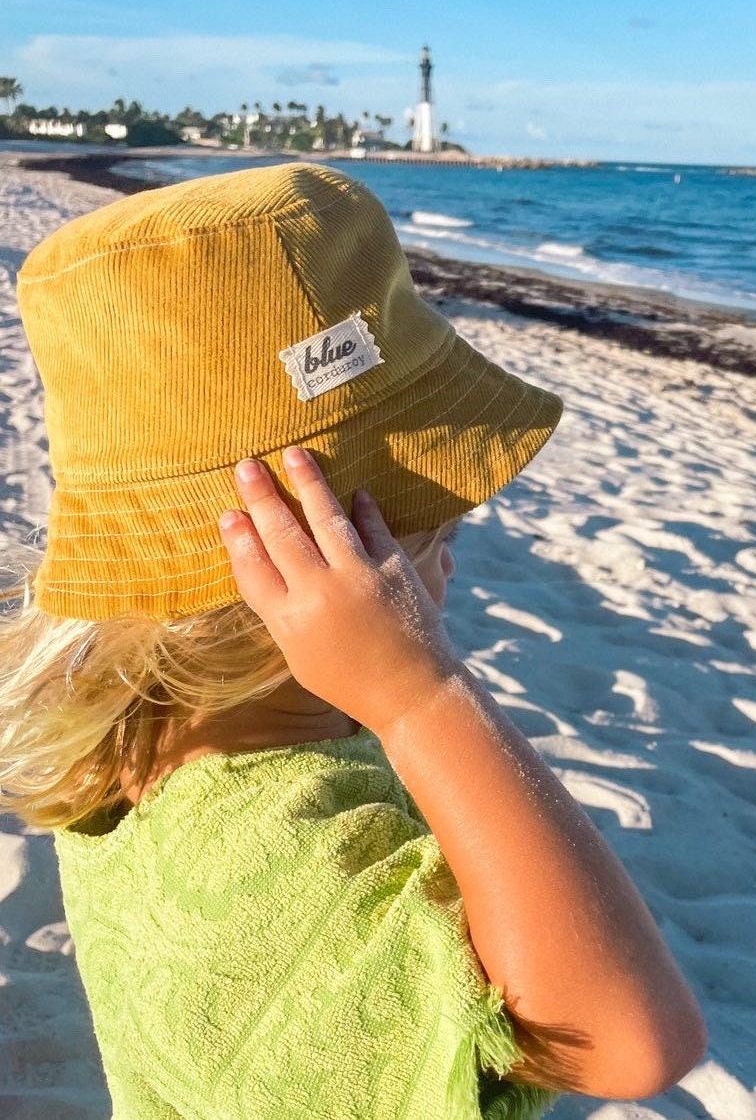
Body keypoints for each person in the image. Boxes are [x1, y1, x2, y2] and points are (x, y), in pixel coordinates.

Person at [3, 162, 705, 1118]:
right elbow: (630, 1044)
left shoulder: (123, 732)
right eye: (437, 528)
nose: (453, 557)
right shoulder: (289, 859)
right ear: (302, 575)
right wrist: (422, 696)